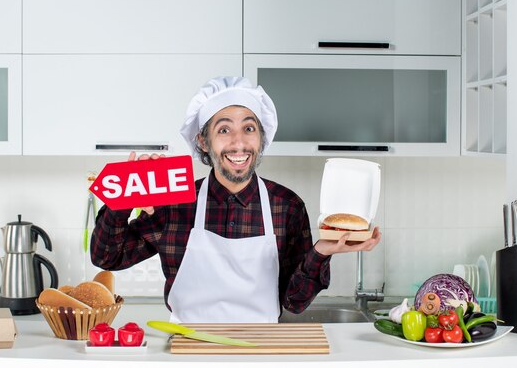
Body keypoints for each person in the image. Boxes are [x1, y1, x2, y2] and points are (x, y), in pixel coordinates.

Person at [90, 76, 381, 323]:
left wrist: (321, 252)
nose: (239, 143)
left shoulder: (287, 206)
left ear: (261, 137)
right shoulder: (174, 205)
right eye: (224, 129)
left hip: (260, 352)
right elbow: (107, 257)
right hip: (187, 351)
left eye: (249, 128)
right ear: (204, 141)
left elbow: (294, 303)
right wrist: (125, 197)